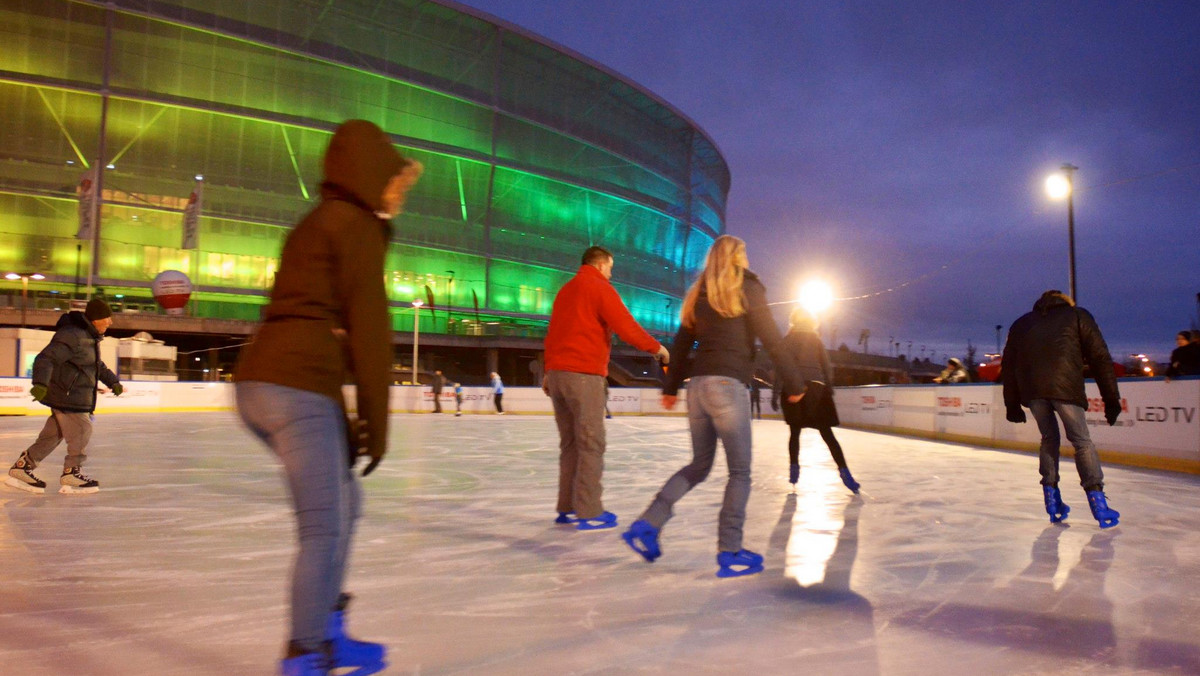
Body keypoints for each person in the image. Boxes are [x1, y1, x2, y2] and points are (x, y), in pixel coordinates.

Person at [235, 119, 421, 675]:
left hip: (265, 383)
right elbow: (368, 331)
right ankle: (305, 656)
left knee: (346, 506)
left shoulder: (314, 224)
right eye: (396, 183)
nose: (400, 195)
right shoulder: (356, 226)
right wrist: (378, 426)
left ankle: (329, 632)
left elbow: (315, 326)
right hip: (294, 387)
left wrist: (348, 421)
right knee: (323, 527)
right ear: (372, 175)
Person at [622, 235, 803, 578]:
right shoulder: (748, 287)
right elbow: (773, 341)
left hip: (698, 388)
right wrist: (795, 384)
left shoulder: (698, 294)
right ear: (737, 257)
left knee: (699, 464)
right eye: (744, 253)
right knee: (740, 472)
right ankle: (729, 551)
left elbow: (680, 343)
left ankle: (649, 522)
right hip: (727, 386)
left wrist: (672, 386)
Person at [543, 245, 670, 530]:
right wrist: (657, 347)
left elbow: (553, 333)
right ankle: (588, 511)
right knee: (591, 443)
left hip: (558, 374)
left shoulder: (566, 290)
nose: (611, 274)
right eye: (611, 268)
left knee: (571, 445)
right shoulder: (598, 287)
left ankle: (567, 507)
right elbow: (625, 325)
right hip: (584, 375)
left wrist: (548, 372)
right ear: (601, 265)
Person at [1002, 290, 1122, 529]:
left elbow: (1008, 365)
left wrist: (1012, 403)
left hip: (1034, 391)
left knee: (1049, 438)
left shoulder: (1021, 323)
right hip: (1065, 388)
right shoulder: (1078, 315)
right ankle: (1098, 503)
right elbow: (1100, 358)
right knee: (1081, 441)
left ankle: (1052, 501)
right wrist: (1111, 399)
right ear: (1066, 302)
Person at [5, 298, 123, 495]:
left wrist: (113, 382)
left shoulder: (88, 337)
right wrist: (40, 384)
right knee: (82, 429)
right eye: (107, 318)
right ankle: (72, 473)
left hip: (72, 396)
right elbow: (46, 358)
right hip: (68, 396)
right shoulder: (73, 336)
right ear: (95, 319)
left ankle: (22, 467)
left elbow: (96, 366)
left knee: (51, 436)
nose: (110, 322)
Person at [772, 309, 859, 493]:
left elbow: (781, 368)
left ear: (793, 321)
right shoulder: (816, 340)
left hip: (793, 388)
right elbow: (827, 367)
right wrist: (828, 387)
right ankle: (845, 471)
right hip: (817, 388)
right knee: (827, 434)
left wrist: (775, 392)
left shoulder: (787, 340)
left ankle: (794, 470)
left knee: (794, 432)